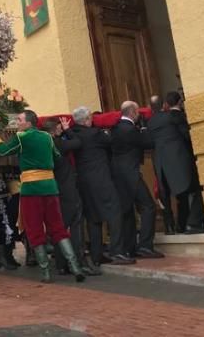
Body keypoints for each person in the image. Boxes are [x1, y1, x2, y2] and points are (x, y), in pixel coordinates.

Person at [0, 110, 84, 283]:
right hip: (50, 187)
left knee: (35, 229)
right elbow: (57, 157)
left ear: (28, 123)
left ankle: (45, 272)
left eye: (19, 120)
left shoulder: (22, 137)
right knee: (58, 228)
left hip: (31, 189)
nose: (18, 123)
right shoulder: (47, 137)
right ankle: (75, 267)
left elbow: (4, 151)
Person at [69, 107, 132, 265]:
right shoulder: (95, 133)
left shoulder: (72, 133)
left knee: (93, 218)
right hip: (101, 180)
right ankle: (117, 251)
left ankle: (97, 255)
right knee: (115, 212)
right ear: (86, 120)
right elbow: (110, 141)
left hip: (83, 182)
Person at [43, 117, 99, 276]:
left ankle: (61, 264)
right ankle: (80, 263)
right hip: (68, 190)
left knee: (59, 228)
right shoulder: (58, 143)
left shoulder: (44, 144)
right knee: (76, 226)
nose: (62, 129)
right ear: (54, 130)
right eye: (59, 128)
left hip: (54, 190)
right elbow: (77, 142)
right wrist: (68, 130)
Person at [148, 91, 204, 235]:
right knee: (199, 189)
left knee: (179, 197)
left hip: (162, 166)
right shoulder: (172, 117)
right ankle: (193, 224)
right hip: (180, 161)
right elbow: (187, 136)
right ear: (164, 105)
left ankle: (176, 226)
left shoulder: (150, 123)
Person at [111, 102, 164, 259]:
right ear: (133, 112)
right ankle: (145, 246)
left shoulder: (115, 128)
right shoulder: (129, 129)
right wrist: (145, 128)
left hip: (119, 175)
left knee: (127, 211)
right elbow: (147, 142)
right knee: (148, 206)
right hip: (131, 174)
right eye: (137, 112)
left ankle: (130, 247)